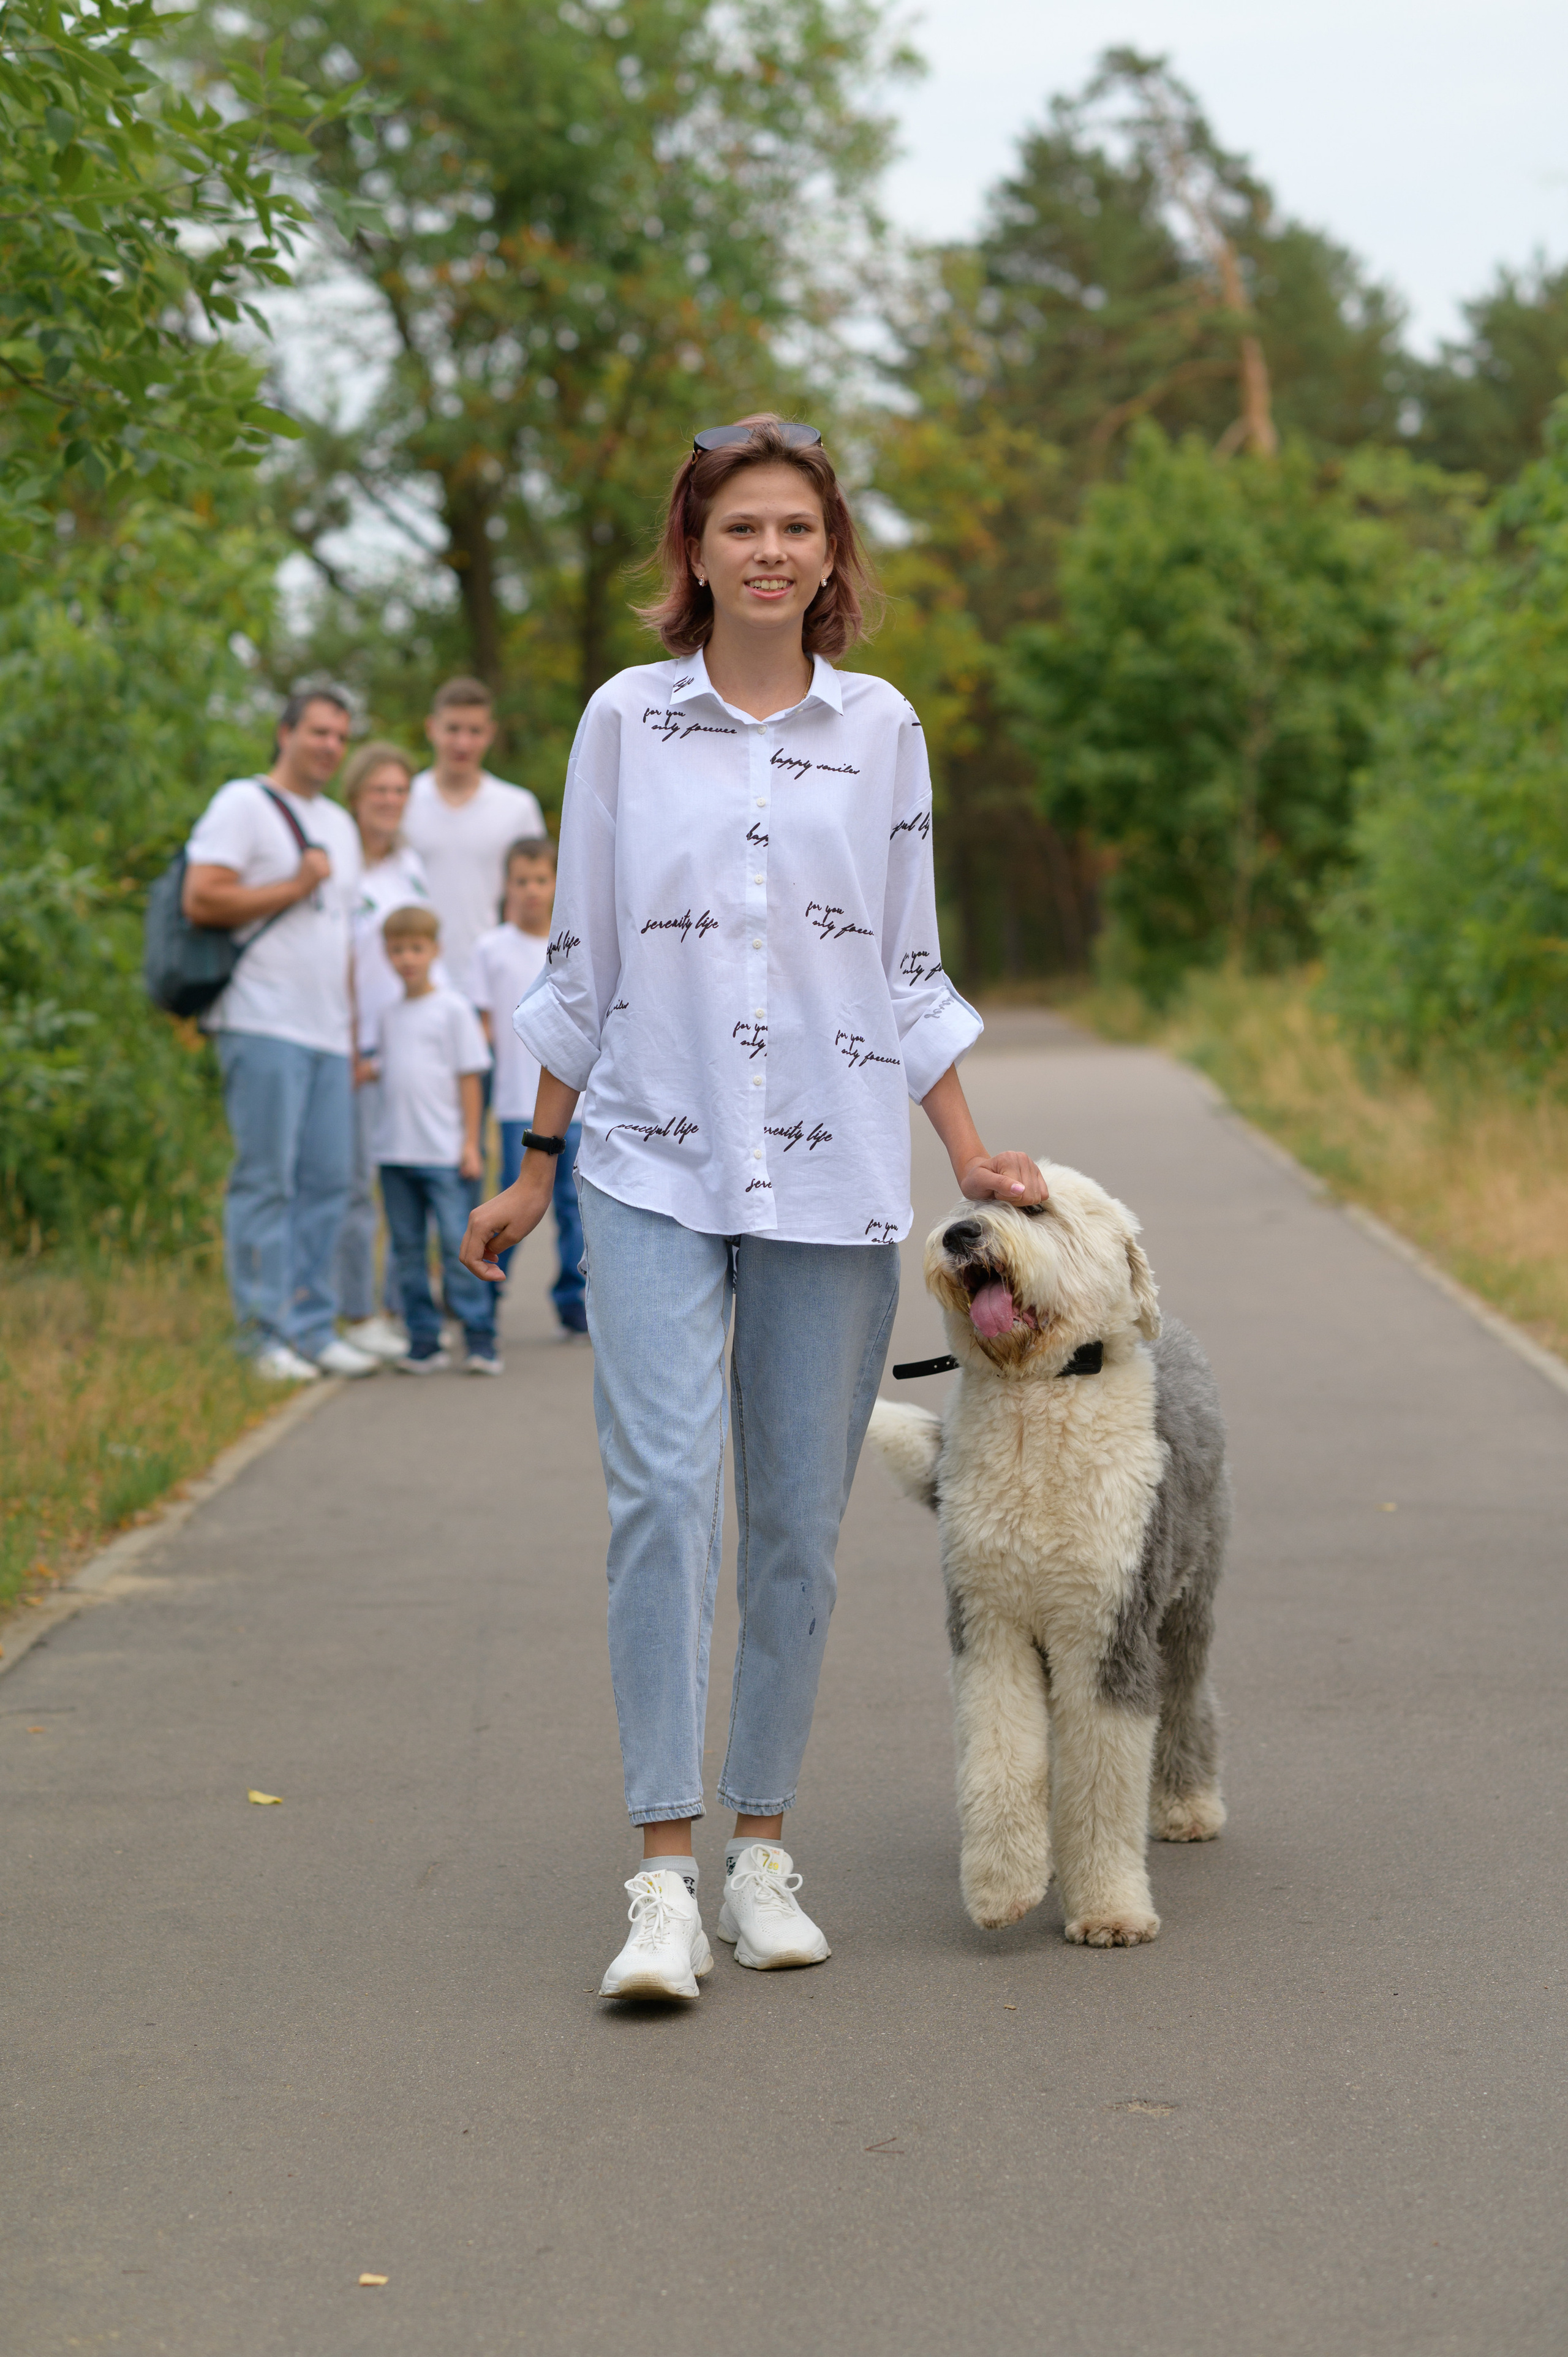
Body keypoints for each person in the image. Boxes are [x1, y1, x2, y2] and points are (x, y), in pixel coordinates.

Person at [459, 415, 1047, 2002]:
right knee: (662, 1493)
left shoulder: (884, 731)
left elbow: (907, 968)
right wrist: (531, 1162)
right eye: (741, 528)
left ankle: (761, 1846)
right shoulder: (623, 724)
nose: (770, 551)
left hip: (837, 1175)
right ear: (695, 553)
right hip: (651, 1157)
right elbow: (578, 955)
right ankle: (661, 1868)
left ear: (831, 552)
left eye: (797, 526)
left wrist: (970, 1154)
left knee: (793, 1520)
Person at [183, 688, 381, 1383]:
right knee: (266, 1181)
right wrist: (294, 885)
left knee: (328, 1181)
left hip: (329, 1034)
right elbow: (201, 895)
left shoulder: (340, 823)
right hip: (261, 1023)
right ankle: (260, 1335)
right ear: (286, 732)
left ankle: (310, 1325)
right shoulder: (243, 803)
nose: (330, 745)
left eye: (340, 736)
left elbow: (348, 940)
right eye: (318, 732)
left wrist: (356, 1037)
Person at [336, 741, 447, 1363]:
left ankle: (399, 1307)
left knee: (410, 1182)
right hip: (354, 1049)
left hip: (411, 1051)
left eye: (399, 791)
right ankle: (355, 1311)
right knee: (356, 1183)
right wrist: (351, 1043)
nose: (389, 801)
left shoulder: (409, 866)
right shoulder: (340, 864)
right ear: (355, 796)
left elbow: (427, 952)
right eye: (378, 790)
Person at [469, 837, 587, 1339]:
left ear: (557, 883)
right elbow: (480, 1026)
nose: (532, 890)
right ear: (507, 886)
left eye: (542, 880)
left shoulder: (568, 945)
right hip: (518, 1102)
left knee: (572, 1209)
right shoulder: (490, 948)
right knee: (514, 1200)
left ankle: (573, 1302)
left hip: (576, 1108)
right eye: (522, 881)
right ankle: (488, 1294)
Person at [375, 906, 500, 1377]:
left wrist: (471, 1143)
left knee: (457, 1244)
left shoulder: (453, 1009)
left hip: (445, 1153)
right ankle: (423, 1339)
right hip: (395, 1153)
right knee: (407, 1249)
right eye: (398, 950)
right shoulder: (388, 1015)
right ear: (387, 954)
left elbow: (470, 1079)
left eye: (416, 948)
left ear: (435, 951)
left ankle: (480, 1337)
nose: (407, 958)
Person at [404, 678, 546, 1005]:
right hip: (414, 984)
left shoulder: (517, 807)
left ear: (491, 734)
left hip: (493, 987)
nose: (463, 742)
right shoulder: (403, 802)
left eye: (475, 731)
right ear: (431, 728)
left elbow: (535, 901)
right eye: (452, 729)